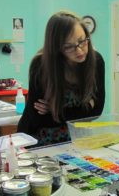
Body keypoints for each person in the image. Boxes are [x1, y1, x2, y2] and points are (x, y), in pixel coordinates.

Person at [17, 11, 105, 146]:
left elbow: (96, 112)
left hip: (79, 139)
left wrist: (54, 111)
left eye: (82, 41)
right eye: (69, 47)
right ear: (56, 48)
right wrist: (84, 109)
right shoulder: (41, 65)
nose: (80, 51)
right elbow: (37, 118)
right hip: (42, 140)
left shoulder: (96, 60)